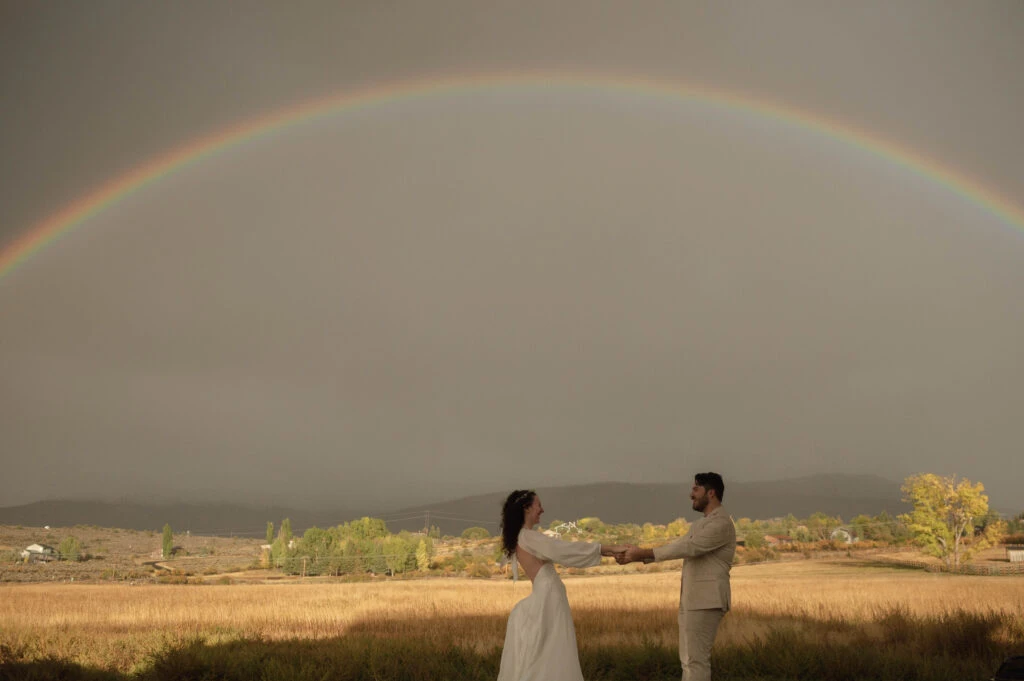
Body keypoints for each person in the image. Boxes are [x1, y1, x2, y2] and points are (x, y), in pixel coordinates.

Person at [617, 473, 736, 681]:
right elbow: (676, 546)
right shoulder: (702, 524)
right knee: (690, 660)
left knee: (694, 661)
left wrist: (642, 553)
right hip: (695, 600)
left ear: (711, 493)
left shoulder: (722, 524)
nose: (691, 495)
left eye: (695, 490)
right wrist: (635, 556)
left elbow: (688, 548)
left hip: (706, 601)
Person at [497, 489, 625, 681]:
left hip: (547, 597)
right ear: (527, 508)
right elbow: (565, 550)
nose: (542, 509)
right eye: (538, 505)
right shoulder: (528, 537)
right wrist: (606, 549)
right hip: (549, 600)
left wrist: (605, 552)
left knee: (546, 655)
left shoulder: (521, 538)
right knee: (554, 655)